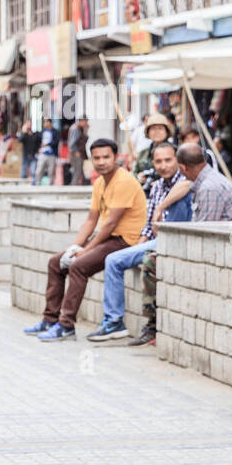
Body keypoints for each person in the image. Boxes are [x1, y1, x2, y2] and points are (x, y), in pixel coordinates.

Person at [24, 139, 147, 341]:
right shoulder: (100, 182)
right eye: (96, 158)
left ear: (116, 158)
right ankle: (50, 319)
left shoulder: (124, 181)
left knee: (78, 266)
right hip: (107, 237)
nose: (101, 162)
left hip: (125, 240)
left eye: (106, 157)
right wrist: (75, 247)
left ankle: (66, 325)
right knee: (56, 262)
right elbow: (92, 219)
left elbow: (110, 224)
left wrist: (86, 250)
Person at [130, 142, 232, 347]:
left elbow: (203, 234)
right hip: (213, 245)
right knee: (154, 254)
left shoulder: (210, 188)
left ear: (182, 168)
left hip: (222, 252)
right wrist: (160, 210)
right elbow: (185, 191)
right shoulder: (205, 179)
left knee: (151, 260)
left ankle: (153, 325)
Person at [88, 141, 191, 342]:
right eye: (159, 161)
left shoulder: (185, 180)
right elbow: (148, 223)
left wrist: (162, 206)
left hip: (174, 242)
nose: (164, 166)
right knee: (116, 260)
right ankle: (114, 321)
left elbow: (186, 186)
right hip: (153, 242)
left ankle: (118, 321)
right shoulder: (157, 186)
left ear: (177, 160)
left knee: (113, 260)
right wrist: (138, 247)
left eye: (168, 160)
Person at [131, 114, 174, 179]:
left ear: (167, 131)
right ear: (148, 132)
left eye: (160, 128)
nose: (157, 132)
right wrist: (139, 178)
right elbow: (134, 174)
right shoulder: (143, 153)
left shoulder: (175, 152)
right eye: (153, 129)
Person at [33, 118, 58, 185]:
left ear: (50, 123)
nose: (45, 124)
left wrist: (47, 144)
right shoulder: (42, 132)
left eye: (46, 122)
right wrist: (38, 149)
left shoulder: (55, 132)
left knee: (51, 171)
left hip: (52, 154)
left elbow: (56, 142)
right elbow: (37, 141)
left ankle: (50, 185)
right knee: (39, 170)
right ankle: (37, 183)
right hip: (43, 154)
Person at [67, 116, 89, 186]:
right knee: (77, 172)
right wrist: (77, 152)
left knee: (79, 172)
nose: (86, 123)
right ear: (82, 121)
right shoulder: (75, 129)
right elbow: (72, 143)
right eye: (86, 122)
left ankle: (75, 187)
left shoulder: (80, 129)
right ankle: (73, 189)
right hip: (76, 155)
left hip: (79, 154)